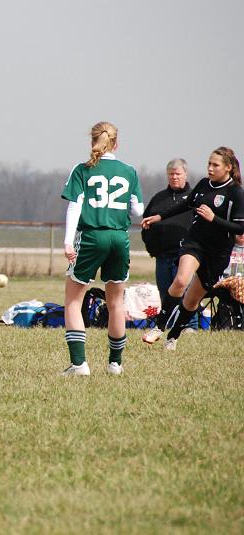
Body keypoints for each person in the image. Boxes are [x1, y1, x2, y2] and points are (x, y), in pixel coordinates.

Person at [61, 122, 144, 376]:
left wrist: (67, 241)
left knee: (73, 301)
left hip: (91, 237)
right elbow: (139, 211)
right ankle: (115, 364)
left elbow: (74, 206)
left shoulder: (82, 169)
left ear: (93, 142)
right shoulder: (129, 171)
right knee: (116, 302)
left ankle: (79, 365)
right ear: (116, 143)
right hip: (120, 238)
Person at [141, 147, 244, 349]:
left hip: (218, 252)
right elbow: (187, 204)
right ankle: (159, 327)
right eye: (209, 164)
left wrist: (214, 219)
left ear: (228, 168)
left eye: (216, 165)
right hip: (195, 241)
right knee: (181, 279)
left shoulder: (235, 193)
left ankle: (174, 336)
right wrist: (160, 216)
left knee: (193, 298)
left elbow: (240, 227)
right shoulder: (204, 184)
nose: (210, 168)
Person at [141, 158, 197, 330]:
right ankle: (168, 323)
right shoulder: (159, 199)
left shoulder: (195, 198)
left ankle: (190, 325)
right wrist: (152, 248)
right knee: (165, 292)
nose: (174, 177)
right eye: (171, 174)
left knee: (186, 291)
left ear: (185, 174)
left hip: (185, 255)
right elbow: (146, 224)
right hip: (162, 256)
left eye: (178, 174)